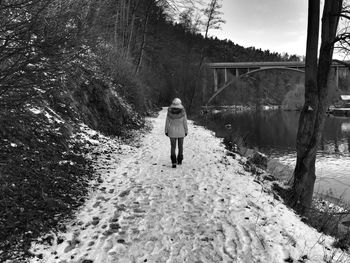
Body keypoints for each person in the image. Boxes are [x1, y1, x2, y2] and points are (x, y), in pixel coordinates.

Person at [165, 98, 188, 168]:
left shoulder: (169, 112)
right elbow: (185, 123)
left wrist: (166, 130)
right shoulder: (183, 112)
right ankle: (180, 160)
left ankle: (174, 162)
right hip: (181, 131)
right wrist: (186, 131)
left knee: (173, 147)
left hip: (172, 132)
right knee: (180, 147)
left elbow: (167, 122)